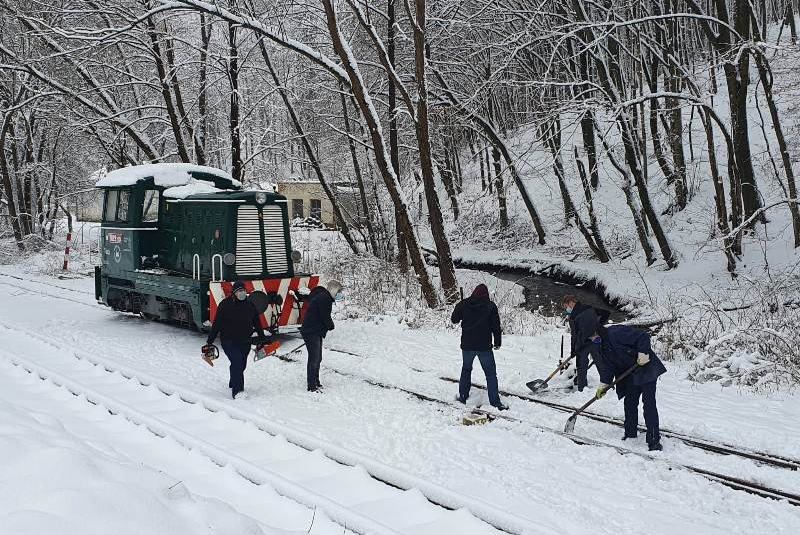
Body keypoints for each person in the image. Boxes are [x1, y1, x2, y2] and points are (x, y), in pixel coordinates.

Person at [590, 320, 667, 451]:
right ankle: (630, 433)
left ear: (598, 331)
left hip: (646, 368)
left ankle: (654, 441)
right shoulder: (601, 346)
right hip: (631, 373)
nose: (594, 340)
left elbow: (642, 336)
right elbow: (608, 366)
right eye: (591, 339)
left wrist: (643, 352)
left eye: (594, 337)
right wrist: (604, 384)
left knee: (648, 404)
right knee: (630, 402)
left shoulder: (615, 333)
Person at [203, 281, 267, 399]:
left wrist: (263, 339)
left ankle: (233, 382)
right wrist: (209, 342)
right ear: (234, 292)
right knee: (237, 362)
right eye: (239, 291)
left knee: (241, 365)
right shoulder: (225, 305)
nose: (242, 293)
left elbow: (257, 323)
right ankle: (238, 392)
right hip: (229, 341)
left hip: (245, 341)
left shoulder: (250, 305)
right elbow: (217, 324)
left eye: (243, 290)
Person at [451, 284, 508, 410]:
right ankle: (495, 402)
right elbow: (496, 327)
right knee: (490, 374)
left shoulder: (464, 304)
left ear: (474, 293)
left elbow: (454, 319)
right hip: (484, 347)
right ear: (486, 295)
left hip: (467, 346)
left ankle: (463, 396)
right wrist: (498, 342)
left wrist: (459, 308)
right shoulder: (490, 306)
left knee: (466, 369)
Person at [300, 279, 342, 392]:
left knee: (318, 358)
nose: (340, 294)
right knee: (314, 358)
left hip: (315, 331)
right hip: (311, 331)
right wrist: (330, 325)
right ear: (333, 290)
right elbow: (324, 316)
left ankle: (316, 381)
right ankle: (311, 385)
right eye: (339, 291)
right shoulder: (325, 299)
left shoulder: (325, 297)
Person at [563, 295, 610, 392]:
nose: (567, 309)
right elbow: (606, 313)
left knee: (581, 367)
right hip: (596, 340)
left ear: (571, 302)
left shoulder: (573, 316)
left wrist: (573, 350)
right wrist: (597, 326)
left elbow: (574, 336)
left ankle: (582, 389)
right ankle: (608, 386)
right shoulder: (589, 307)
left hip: (582, 345)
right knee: (601, 364)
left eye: (566, 306)